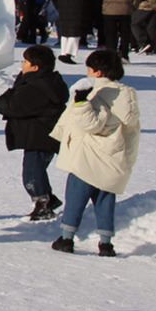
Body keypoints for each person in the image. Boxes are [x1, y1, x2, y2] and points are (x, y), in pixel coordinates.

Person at [48, 50, 140, 257]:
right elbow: (131, 129)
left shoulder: (96, 92)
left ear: (97, 72)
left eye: (89, 68)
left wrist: (80, 103)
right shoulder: (128, 94)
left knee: (75, 198)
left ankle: (66, 238)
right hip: (112, 157)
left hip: (88, 157)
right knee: (105, 199)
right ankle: (106, 243)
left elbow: (92, 124)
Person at [0, 45, 68, 220]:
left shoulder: (36, 86)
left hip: (39, 136)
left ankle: (43, 203)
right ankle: (47, 200)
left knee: (32, 173)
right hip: (41, 135)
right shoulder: (43, 81)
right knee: (36, 170)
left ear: (35, 67)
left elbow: (9, 105)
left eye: (25, 61)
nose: (22, 64)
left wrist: (8, 95)